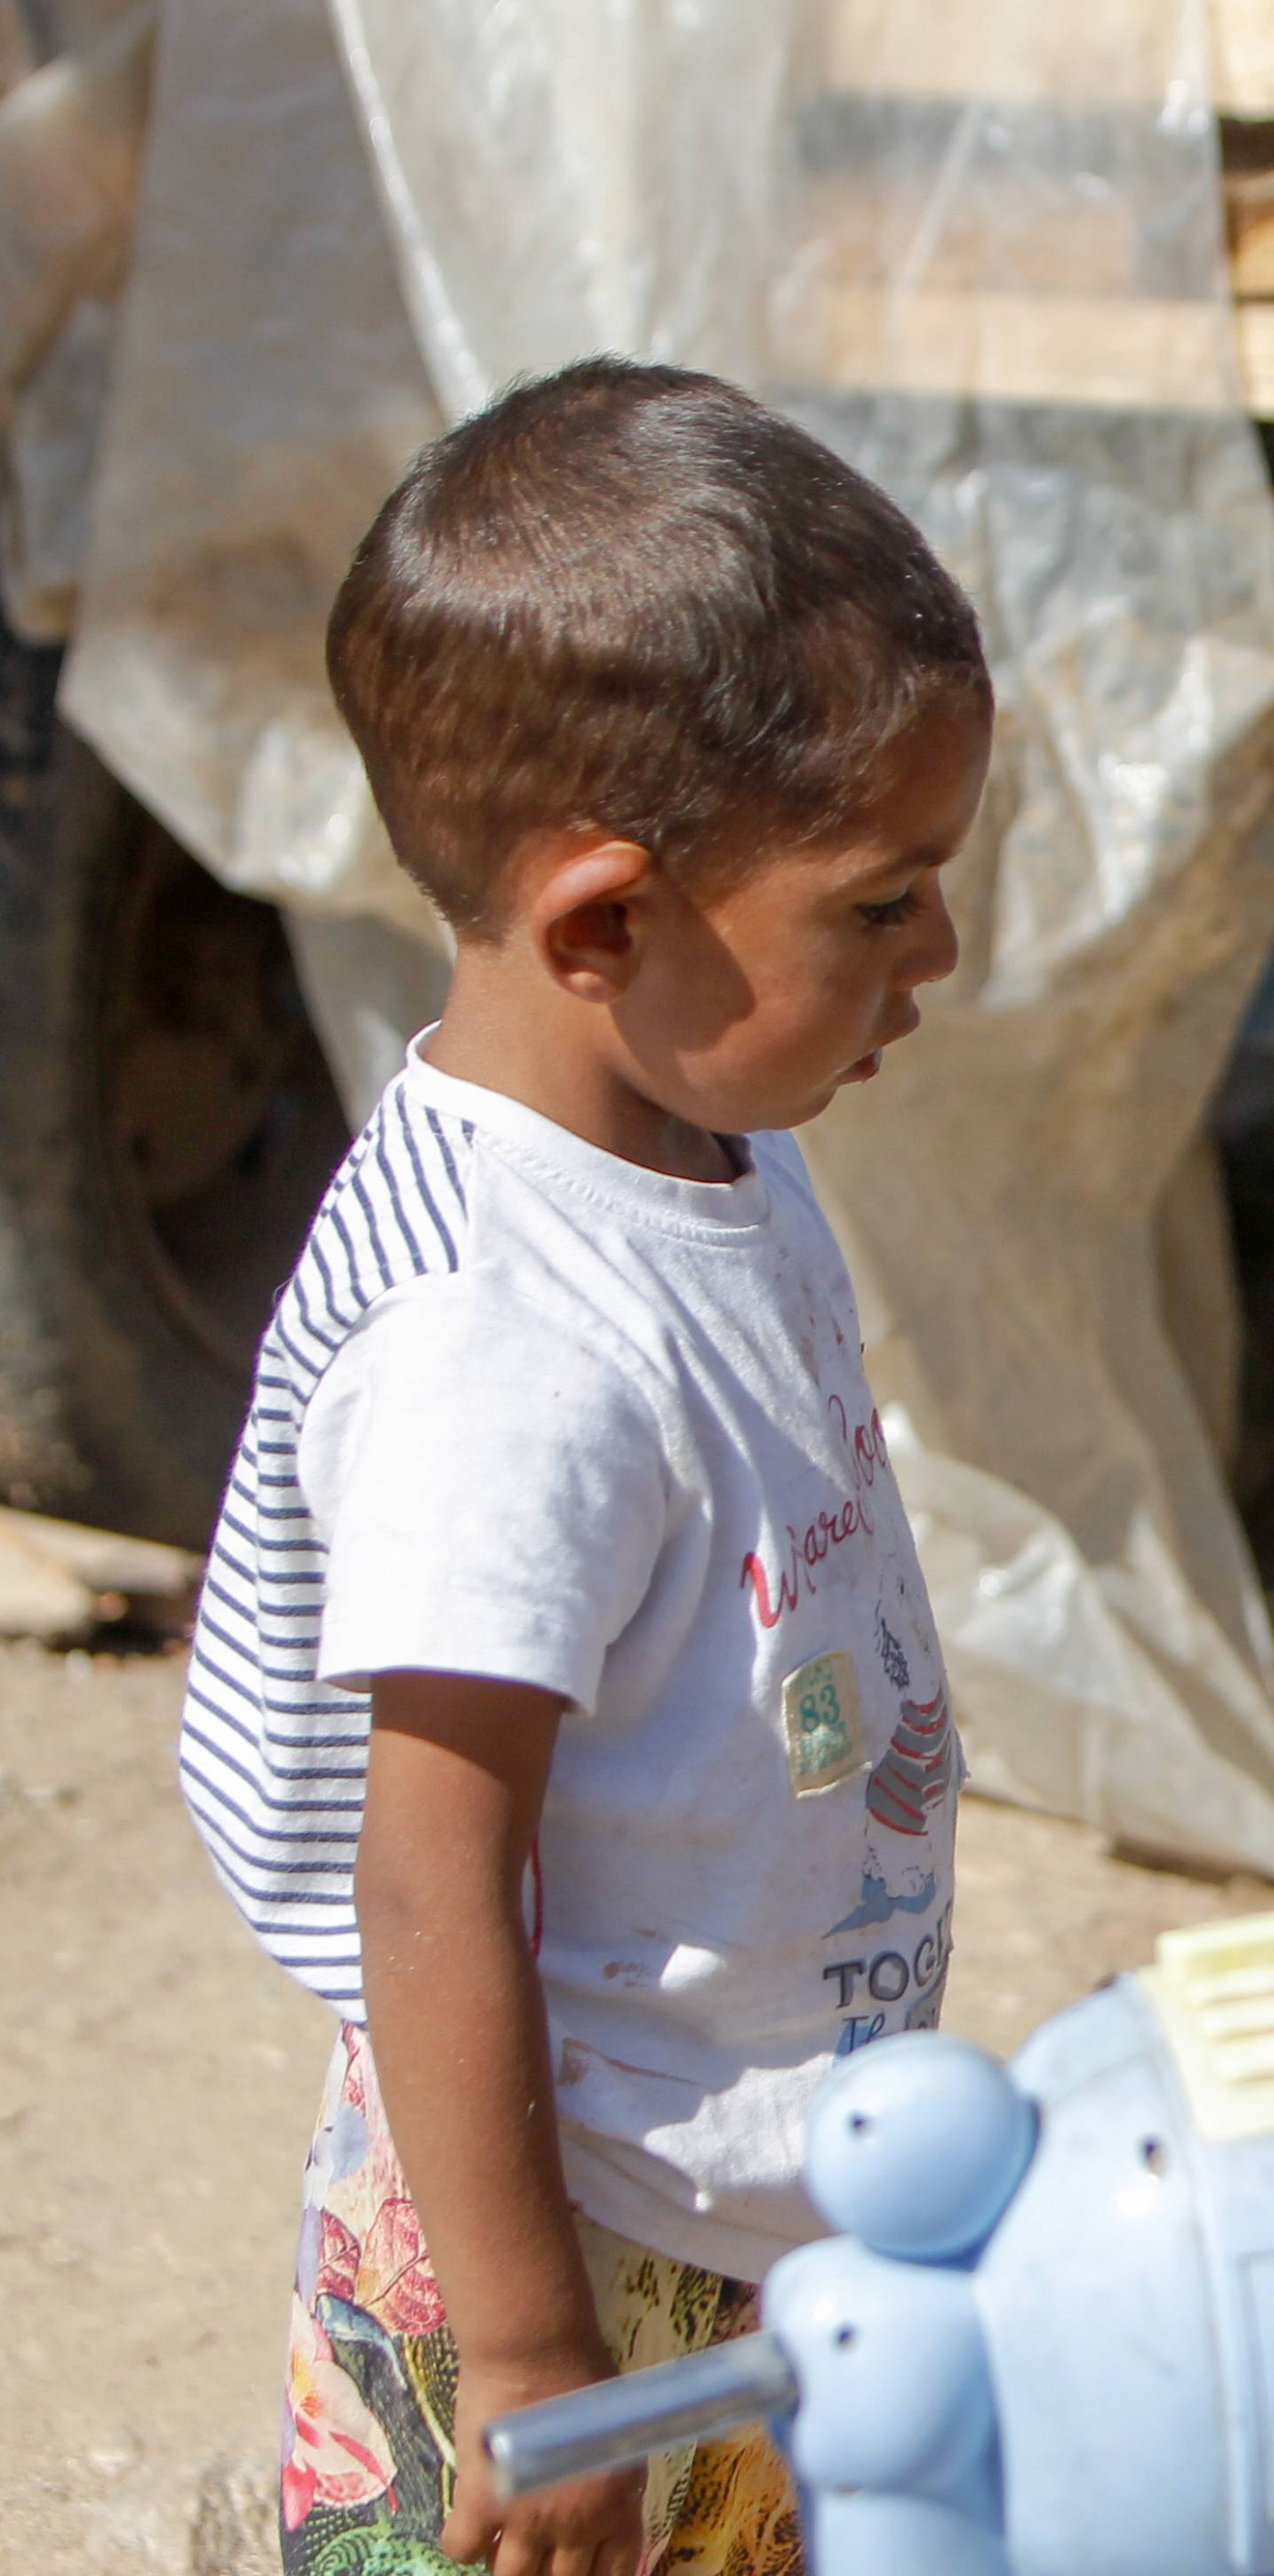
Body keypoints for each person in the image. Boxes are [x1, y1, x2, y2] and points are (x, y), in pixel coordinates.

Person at [181, 358, 985, 2576]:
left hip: (738, 2197)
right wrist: (532, 2364)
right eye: (884, 900)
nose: (937, 955)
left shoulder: (701, 1137)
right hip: (560, 2246)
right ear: (605, 922)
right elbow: (430, 1873)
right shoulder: (500, 1350)